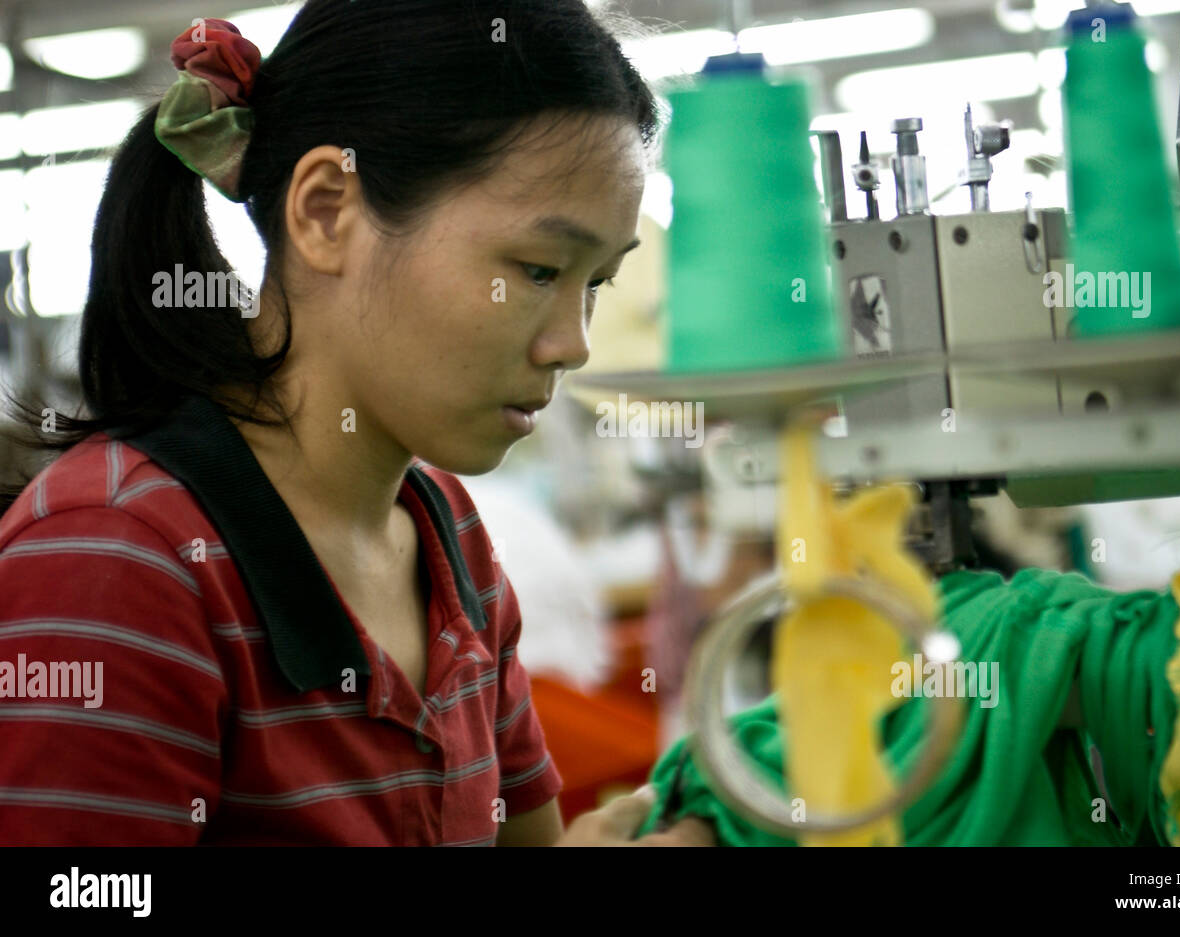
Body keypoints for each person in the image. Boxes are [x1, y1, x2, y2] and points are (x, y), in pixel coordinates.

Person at [0, 1, 712, 846]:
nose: (574, 343)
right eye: (537, 269)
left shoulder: (449, 543)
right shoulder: (120, 560)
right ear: (327, 210)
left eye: (594, 282)